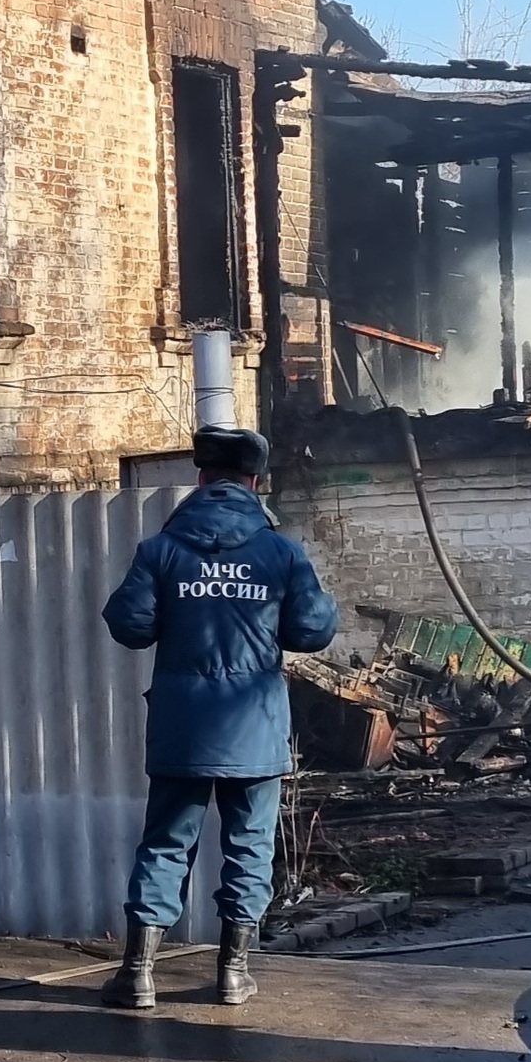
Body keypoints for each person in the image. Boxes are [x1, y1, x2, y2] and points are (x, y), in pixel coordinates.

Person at [99, 424, 339, 1011]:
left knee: (165, 845)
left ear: (201, 479)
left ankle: (138, 975)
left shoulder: (161, 550)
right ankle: (233, 973)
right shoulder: (280, 552)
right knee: (249, 847)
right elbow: (313, 631)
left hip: (183, 729)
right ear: (255, 482)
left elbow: (129, 625)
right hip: (253, 728)